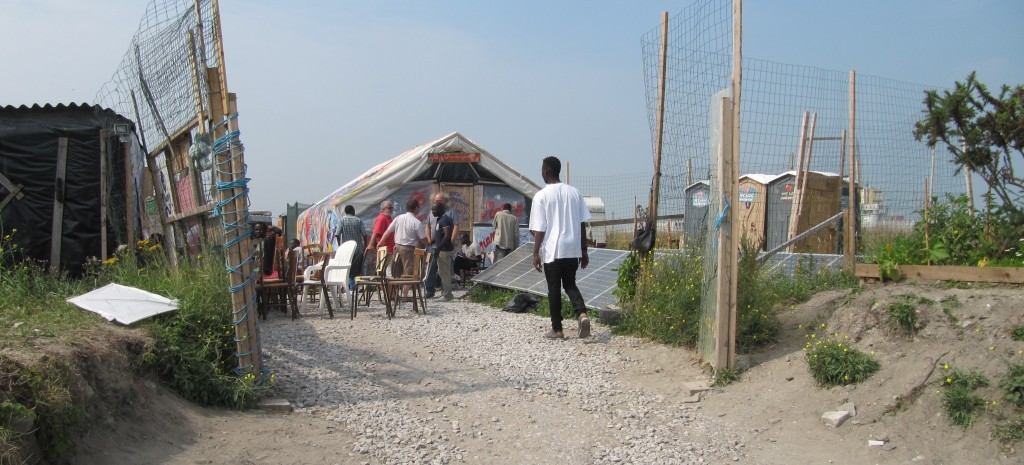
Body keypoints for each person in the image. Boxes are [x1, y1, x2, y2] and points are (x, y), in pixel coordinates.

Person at [529, 156, 591, 339]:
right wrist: (584, 250)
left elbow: (539, 230)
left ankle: (557, 329)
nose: (541, 172)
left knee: (554, 289)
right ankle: (582, 314)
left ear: (546, 171)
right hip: (572, 249)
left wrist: (535, 253)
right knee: (570, 284)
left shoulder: (541, 196)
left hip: (553, 250)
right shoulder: (574, 193)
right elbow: (581, 224)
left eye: (542, 169)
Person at [377, 198, 426, 296]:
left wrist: (380, 242)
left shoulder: (398, 218)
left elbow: (388, 231)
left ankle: (393, 294)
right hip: (408, 248)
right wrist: (429, 242)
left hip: (397, 247)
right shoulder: (416, 222)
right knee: (408, 272)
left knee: (396, 270)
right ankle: (404, 294)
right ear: (416, 208)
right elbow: (423, 239)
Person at [424, 192, 459, 298]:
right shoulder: (434, 213)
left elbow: (453, 229)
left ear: (445, 202)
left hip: (443, 247)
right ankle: (429, 291)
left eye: (440, 201)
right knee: (431, 269)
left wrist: (450, 241)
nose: (437, 202)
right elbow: (428, 226)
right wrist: (430, 240)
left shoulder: (449, 213)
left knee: (444, 270)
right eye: (436, 200)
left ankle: (446, 292)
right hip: (435, 245)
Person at [337, 204, 367, 288]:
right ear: (352, 211)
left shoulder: (342, 221)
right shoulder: (358, 220)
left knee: (348, 267)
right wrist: (365, 244)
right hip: (358, 249)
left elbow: (337, 234)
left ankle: (350, 286)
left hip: (347, 250)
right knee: (358, 267)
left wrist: (340, 246)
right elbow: (364, 234)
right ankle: (358, 286)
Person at [430, 201, 456, 301]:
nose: (432, 211)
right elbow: (440, 234)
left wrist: (438, 248)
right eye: (432, 209)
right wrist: (433, 241)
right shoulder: (440, 219)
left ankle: (447, 295)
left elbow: (447, 235)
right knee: (443, 273)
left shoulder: (444, 220)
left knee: (444, 273)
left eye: (434, 209)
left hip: (444, 251)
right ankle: (446, 293)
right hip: (442, 249)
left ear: (441, 209)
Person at [365, 200, 395, 276]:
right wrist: (371, 245)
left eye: (392, 208)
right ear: (384, 209)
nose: (391, 210)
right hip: (385, 249)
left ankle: (388, 287)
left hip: (390, 249)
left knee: (389, 270)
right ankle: (387, 287)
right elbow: (375, 232)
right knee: (387, 271)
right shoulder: (382, 218)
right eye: (389, 208)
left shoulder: (388, 218)